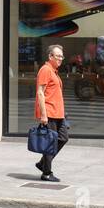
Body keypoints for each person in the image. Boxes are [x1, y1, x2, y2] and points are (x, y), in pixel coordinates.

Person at [34, 44, 68, 183]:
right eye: (58, 56)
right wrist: (43, 114)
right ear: (50, 56)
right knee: (50, 143)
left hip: (58, 113)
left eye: (61, 56)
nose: (60, 58)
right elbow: (40, 92)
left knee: (63, 138)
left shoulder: (54, 71)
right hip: (49, 112)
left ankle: (43, 163)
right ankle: (46, 173)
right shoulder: (45, 70)